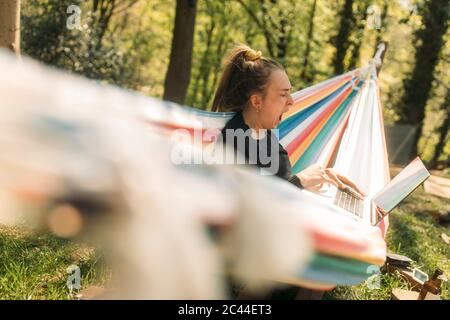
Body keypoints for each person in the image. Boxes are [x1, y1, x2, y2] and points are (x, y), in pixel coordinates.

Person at [212, 44, 365, 300]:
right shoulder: (236, 141)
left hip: (267, 240)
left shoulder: (258, 134)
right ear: (257, 101)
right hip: (249, 256)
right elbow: (250, 210)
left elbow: (272, 187)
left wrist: (308, 181)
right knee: (323, 265)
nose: (292, 102)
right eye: (283, 95)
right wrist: (299, 182)